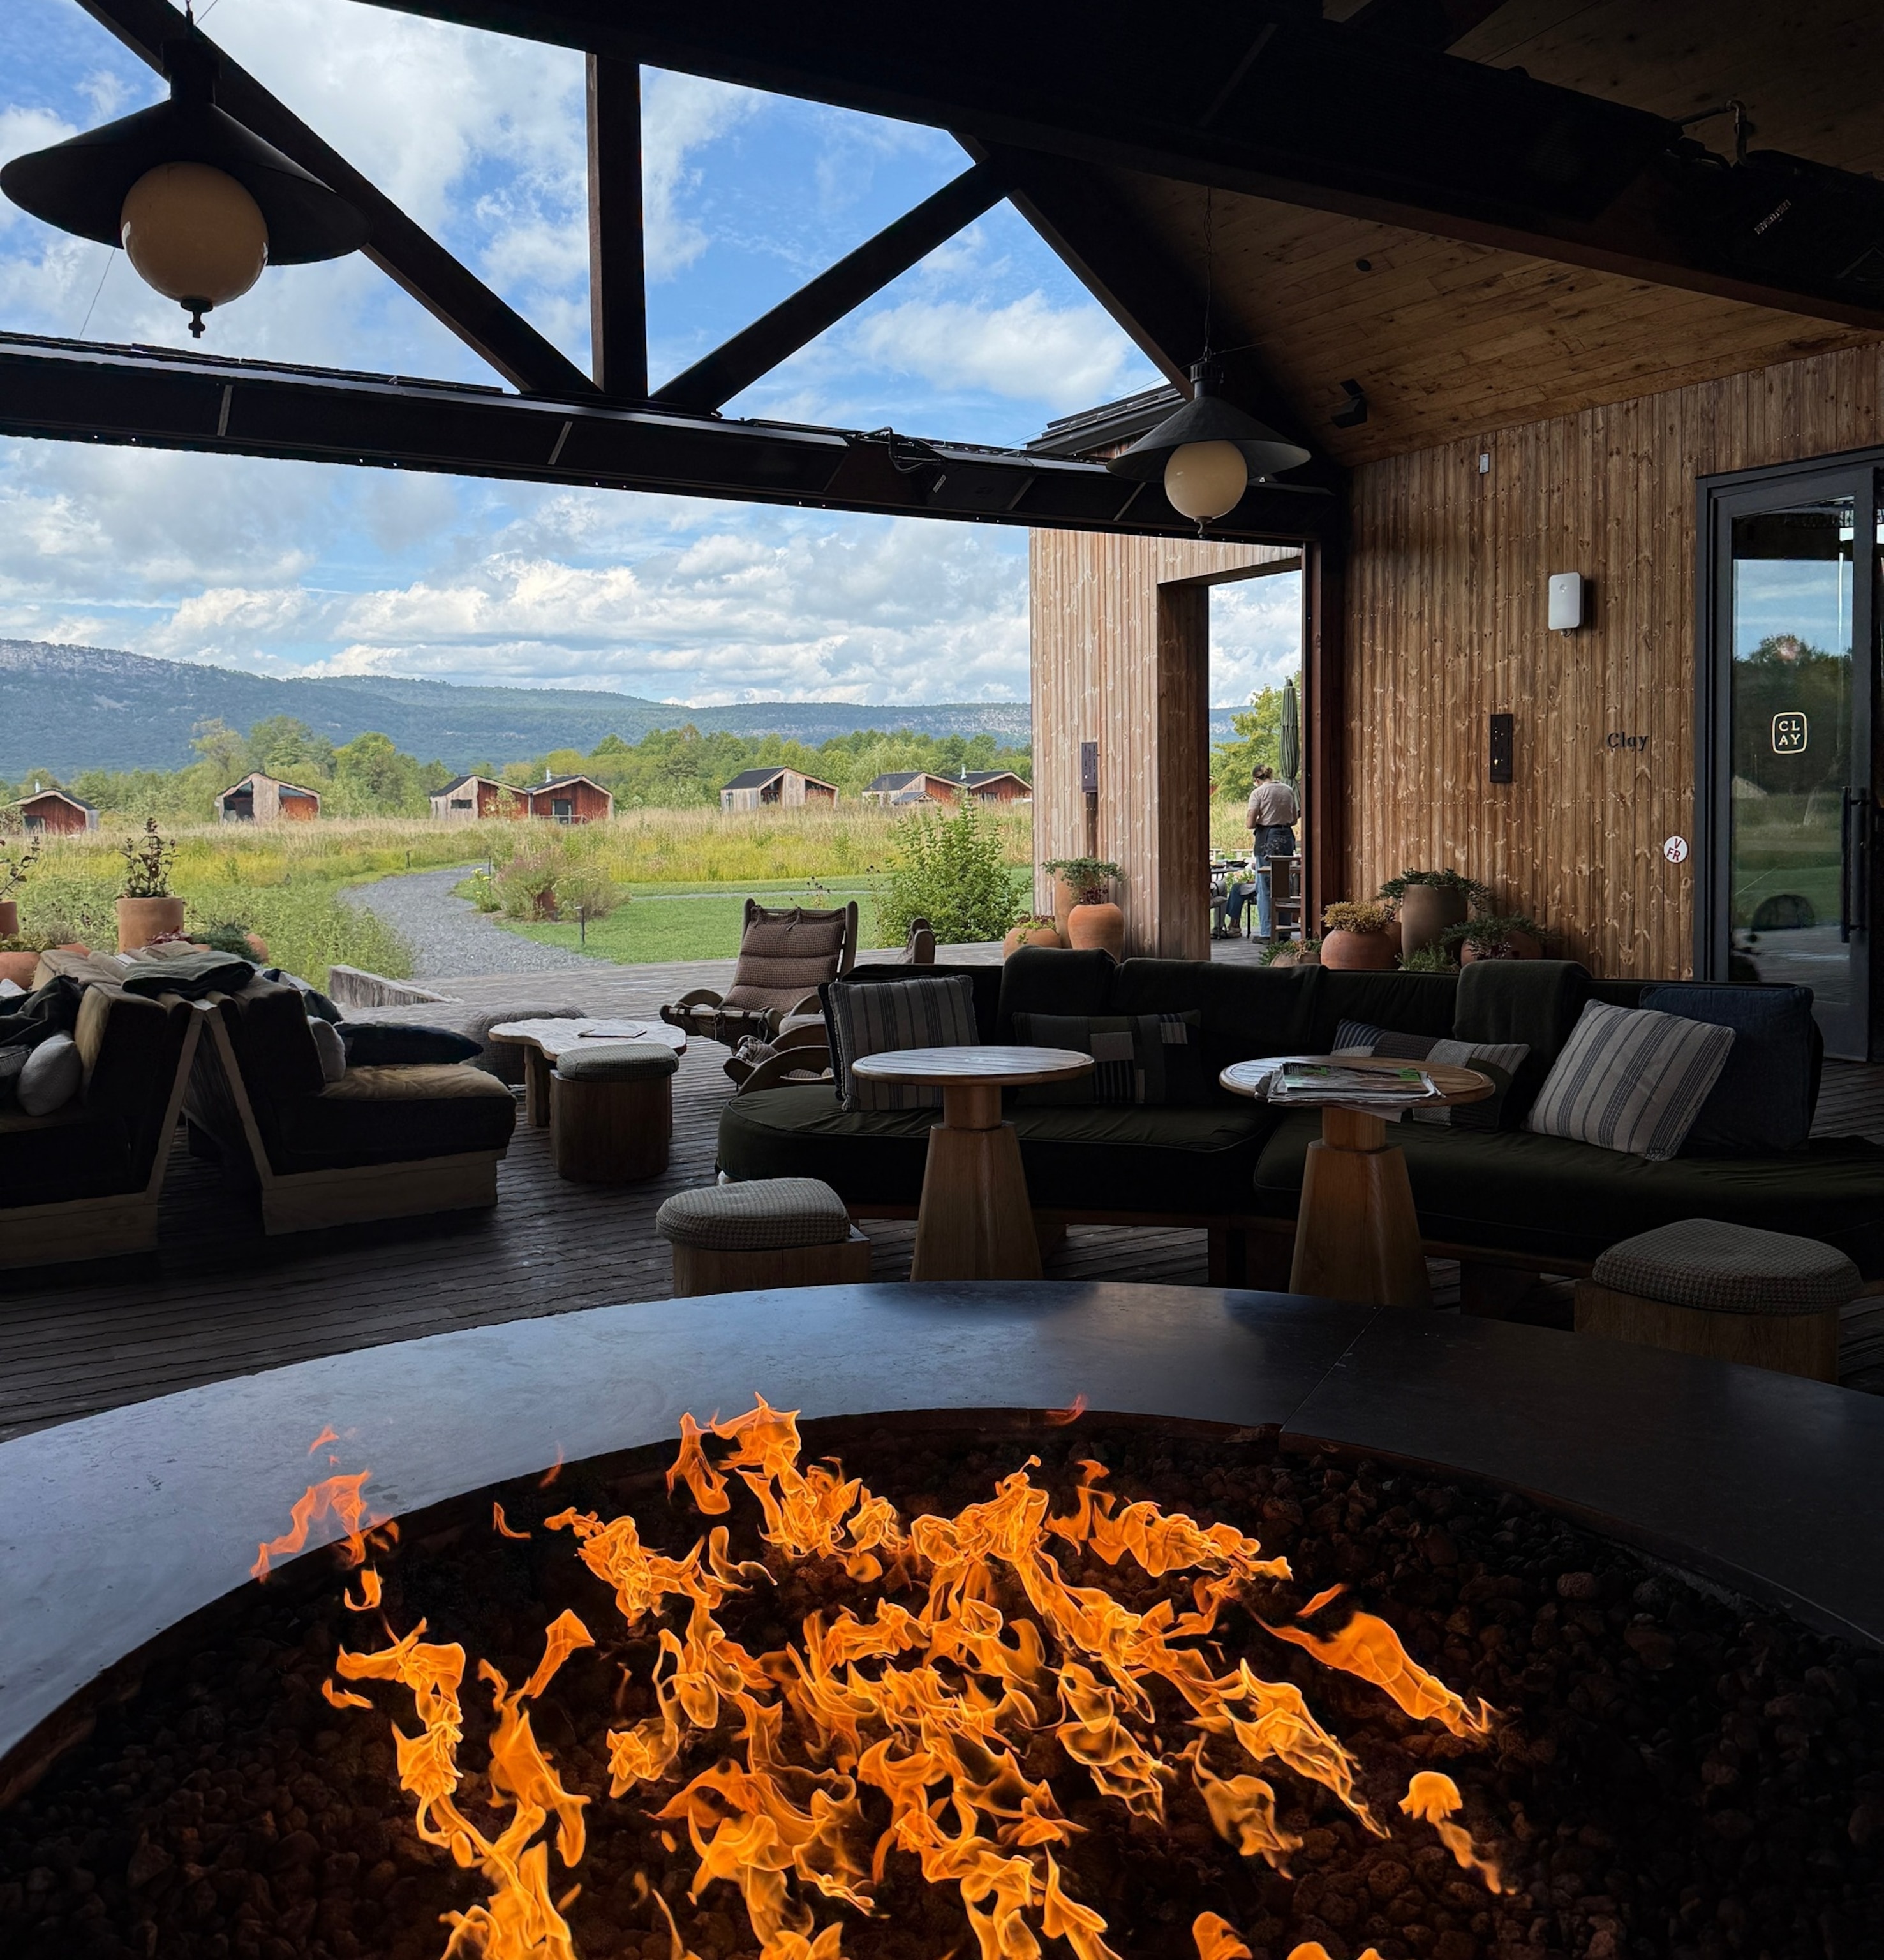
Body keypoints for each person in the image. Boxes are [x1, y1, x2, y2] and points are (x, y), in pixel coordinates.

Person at [1224, 766, 1300, 938]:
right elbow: (1294, 820)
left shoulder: (1258, 793)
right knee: (1284, 885)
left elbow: (1250, 823)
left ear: (1256, 780)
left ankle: (1268, 932)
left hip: (1267, 839)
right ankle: (1284, 931)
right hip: (1287, 838)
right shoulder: (1288, 790)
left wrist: (1262, 819)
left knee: (1266, 885)